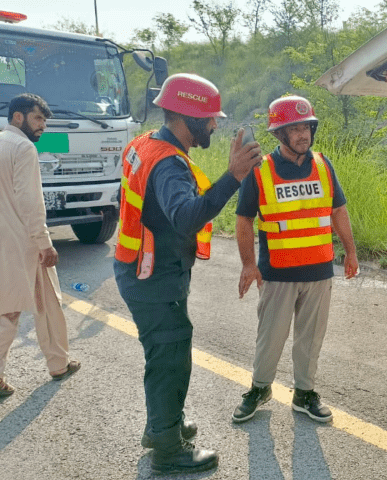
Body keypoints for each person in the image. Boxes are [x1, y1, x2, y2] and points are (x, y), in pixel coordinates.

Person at [113, 73, 262, 474]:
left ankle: (163, 425)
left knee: (164, 353)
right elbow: (184, 218)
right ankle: (167, 449)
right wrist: (233, 176)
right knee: (170, 358)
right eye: (209, 117)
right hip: (153, 276)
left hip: (138, 267)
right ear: (187, 117)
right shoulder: (169, 165)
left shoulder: (145, 143)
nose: (214, 124)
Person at [232, 95, 358, 424]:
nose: (303, 134)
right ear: (279, 134)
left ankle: (304, 394)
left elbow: (338, 210)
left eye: (306, 128)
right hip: (277, 273)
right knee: (270, 338)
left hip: (319, 271)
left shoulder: (323, 165)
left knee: (310, 338)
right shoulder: (261, 171)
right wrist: (248, 264)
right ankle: (260, 389)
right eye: (295, 129)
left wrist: (351, 250)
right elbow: (244, 220)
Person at [0, 93, 81, 397]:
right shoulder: (23, 148)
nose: (42, 126)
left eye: (44, 120)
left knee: (47, 301)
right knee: (9, 313)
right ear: (18, 117)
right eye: (37, 118)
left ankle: (58, 362)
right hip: (23, 243)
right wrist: (45, 243)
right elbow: (30, 201)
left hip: (10, 240)